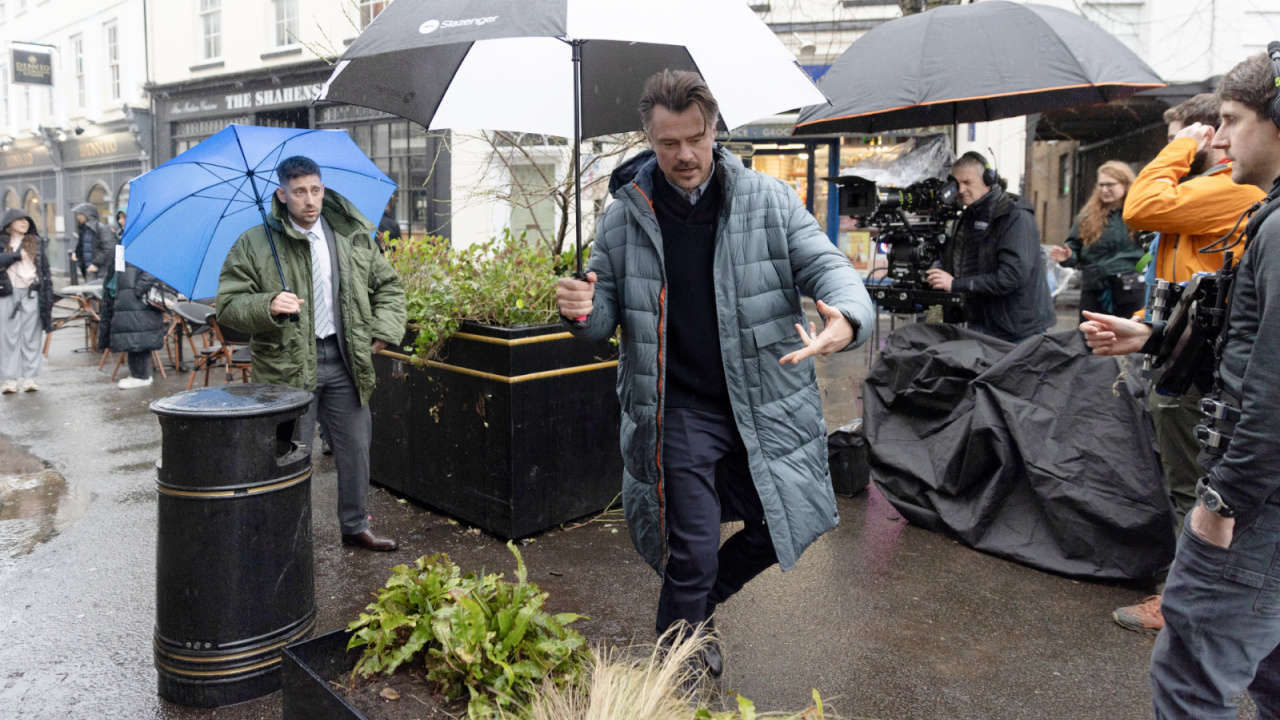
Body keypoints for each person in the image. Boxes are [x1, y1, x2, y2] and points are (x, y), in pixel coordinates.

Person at [555, 70, 874, 677]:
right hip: (679, 408)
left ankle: (694, 614)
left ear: (715, 130)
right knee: (694, 546)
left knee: (779, 525)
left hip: (763, 401)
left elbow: (830, 268)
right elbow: (600, 320)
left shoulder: (769, 200)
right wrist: (579, 310)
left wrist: (847, 320)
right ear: (649, 140)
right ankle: (675, 661)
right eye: (668, 143)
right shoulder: (624, 218)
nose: (684, 155)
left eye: (695, 138)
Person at [1081, 50, 1280, 719]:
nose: (1218, 140)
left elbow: (1273, 390)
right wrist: (1159, 335)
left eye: (1231, 121)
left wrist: (1221, 503)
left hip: (1254, 509)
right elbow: (1248, 330)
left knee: (1190, 683)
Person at [1109, 93, 1267, 635]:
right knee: (1184, 478)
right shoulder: (1204, 193)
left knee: (1194, 485)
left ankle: (1180, 600)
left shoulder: (1233, 190)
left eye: (1190, 136)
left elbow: (1141, 206)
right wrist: (1149, 331)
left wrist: (1181, 147)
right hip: (1176, 349)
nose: (1212, 141)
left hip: (1200, 365)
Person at [216, 155, 406, 552]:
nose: (310, 200)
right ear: (282, 195)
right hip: (287, 366)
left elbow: (388, 286)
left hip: (344, 360)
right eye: (299, 192)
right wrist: (267, 303)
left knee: (355, 449)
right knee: (287, 456)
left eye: (315, 190)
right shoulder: (254, 243)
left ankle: (355, 526)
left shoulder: (350, 237)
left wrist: (384, 330)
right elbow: (229, 306)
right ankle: (288, 535)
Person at [926, 152, 1056, 343]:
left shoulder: (1014, 216)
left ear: (989, 179)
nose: (961, 190)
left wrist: (955, 285)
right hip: (982, 323)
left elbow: (1011, 277)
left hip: (1016, 329)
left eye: (968, 182)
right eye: (956, 184)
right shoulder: (967, 216)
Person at [1050, 161, 1146, 322]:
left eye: (1110, 185)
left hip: (1129, 289)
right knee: (1090, 339)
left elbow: (1153, 252)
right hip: (1094, 290)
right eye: (1100, 185)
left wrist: (1135, 269)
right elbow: (1076, 249)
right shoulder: (1087, 217)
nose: (1104, 190)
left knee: (1126, 340)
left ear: (1126, 185)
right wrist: (1068, 257)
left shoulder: (1141, 215)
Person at [0, 209, 53, 393]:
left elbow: (45, 270)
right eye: (20, 220)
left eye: (27, 220)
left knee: (31, 336)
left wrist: (48, 296)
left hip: (32, 292)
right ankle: (9, 379)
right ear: (10, 223)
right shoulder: (2, 242)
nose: (24, 223)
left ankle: (29, 377)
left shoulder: (36, 243)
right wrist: (13, 256)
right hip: (8, 293)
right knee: (8, 337)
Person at [99, 256, 166, 390]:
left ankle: (141, 376)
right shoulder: (125, 245)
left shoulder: (142, 246)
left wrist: (137, 291)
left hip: (136, 301)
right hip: (127, 299)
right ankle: (138, 374)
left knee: (138, 337)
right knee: (133, 336)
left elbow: (153, 270)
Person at [71, 203, 114, 282]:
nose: (78, 217)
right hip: (88, 269)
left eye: (80, 214)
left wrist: (96, 264)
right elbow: (82, 245)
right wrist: (76, 252)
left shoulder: (101, 229)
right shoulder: (83, 229)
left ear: (88, 214)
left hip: (99, 271)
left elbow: (108, 249)